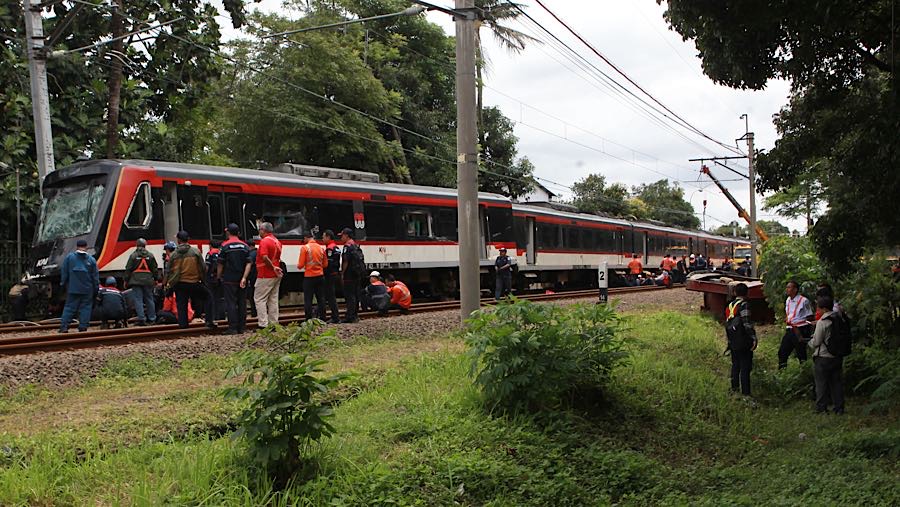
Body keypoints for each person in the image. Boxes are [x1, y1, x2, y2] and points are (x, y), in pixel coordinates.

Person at [808, 294, 845, 414]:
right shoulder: (839, 318)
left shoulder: (823, 322)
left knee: (821, 384)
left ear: (823, 309)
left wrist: (809, 342)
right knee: (836, 383)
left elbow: (817, 341)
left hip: (823, 356)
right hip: (837, 355)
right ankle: (839, 408)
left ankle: (821, 408)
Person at [165, 231, 208, 329]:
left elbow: (168, 271)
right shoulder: (196, 251)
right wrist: (203, 280)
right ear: (188, 239)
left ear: (178, 240)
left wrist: (166, 284)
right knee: (208, 297)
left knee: (181, 305)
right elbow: (202, 267)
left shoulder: (174, 255)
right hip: (194, 282)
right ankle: (209, 321)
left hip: (179, 284)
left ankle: (183, 326)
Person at [59, 239, 99, 333]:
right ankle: (83, 327)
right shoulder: (91, 260)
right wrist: (95, 290)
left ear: (77, 247)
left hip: (72, 288)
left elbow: (64, 273)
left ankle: (64, 327)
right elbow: (95, 278)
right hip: (87, 289)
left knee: (69, 307)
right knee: (86, 307)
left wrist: (63, 285)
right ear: (86, 247)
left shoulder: (69, 257)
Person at [726, 283, 758, 396]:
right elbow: (747, 323)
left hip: (733, 340)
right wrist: (753, 338)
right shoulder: (744, 305)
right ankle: (746, 393)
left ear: (735, 293)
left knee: (735, 365)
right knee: (745, 367)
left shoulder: (731, 305)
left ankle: (734, 389)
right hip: (744, 340)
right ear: (747, 293)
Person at [218, 223, 250, 334]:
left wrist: (218, 276)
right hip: (242, 278)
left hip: (229, 278)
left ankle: (232, 327)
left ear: (228, 232)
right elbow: (249, 263)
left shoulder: (225, 246)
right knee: (242, 302)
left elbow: (220, 263)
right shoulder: (245, 246)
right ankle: (242, 327)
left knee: (231, 302)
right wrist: (244, 277)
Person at [778, 280, 814, 369]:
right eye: (787, 287)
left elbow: (809, 316)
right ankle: (782, 371)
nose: (787, 289)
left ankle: (805, 372)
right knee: (782, 351)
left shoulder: (804, 301)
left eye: (789, 287)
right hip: (790, 328)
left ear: (795, 289)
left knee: (801, 352)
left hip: (800, 328)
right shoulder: (788, 300)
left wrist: (805, 328)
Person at [253, 222, 283, 328]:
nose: (259, 231)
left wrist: (272, 267)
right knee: (273, 299)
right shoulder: (277, 241)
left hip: (265, 273)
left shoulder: (264, 241)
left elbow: (265, 257)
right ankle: (274, 323)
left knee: (259, 299)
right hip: (276, 274)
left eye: (260, 229)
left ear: (263, 230)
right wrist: (275, 268)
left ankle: (263, 324)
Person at [124, 238, 159, 326]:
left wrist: (126, 280)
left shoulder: (133, 255)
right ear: (145, 245)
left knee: (138, 300)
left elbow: (128, 269)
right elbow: (154, 268)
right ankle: (152, 318)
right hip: (148, 281)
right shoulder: (150, 256)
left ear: (137, 245)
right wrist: (156, 279)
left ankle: (141, 319)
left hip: (136, 281)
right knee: (149, 299)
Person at [297, 231, 327, 321]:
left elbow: (300, 265)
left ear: (306, 238)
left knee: (308, 299)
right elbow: (325, 264)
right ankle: (323, 318)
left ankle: (308, 319)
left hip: (309, 277)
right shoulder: (321, 248)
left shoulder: (305, 248)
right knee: (321, 298)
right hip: (320, 276)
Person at [339, 227, 363, 323]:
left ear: (346, 235)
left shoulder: (347, 246)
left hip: (349, 274)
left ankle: (350, 316)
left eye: (342, 236)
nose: (341, 238)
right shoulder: (355, 245)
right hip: (357, 273)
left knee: (349, 295)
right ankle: (355, 315)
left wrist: (342, 273)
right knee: (356, 294)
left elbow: (345, 261)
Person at [322, 229, 342, 323]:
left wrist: (323, 272)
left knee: (330, 296)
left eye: (323, 236)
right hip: (335, 273)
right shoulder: (336, 247)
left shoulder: (329, 248)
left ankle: (335, 317)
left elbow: (328, 264)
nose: (322, 238)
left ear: (328, 237)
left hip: (330, 275)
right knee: (330, 296)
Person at [204, 240, 223, 327]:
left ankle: (212, 317)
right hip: (219, 278)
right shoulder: (221, 253)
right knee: (218, 298)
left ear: (210, 246)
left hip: (210, 279)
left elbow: (207, 267)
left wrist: (203, 276)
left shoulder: (210, 254)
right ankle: (219, 316)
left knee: (210, 298)